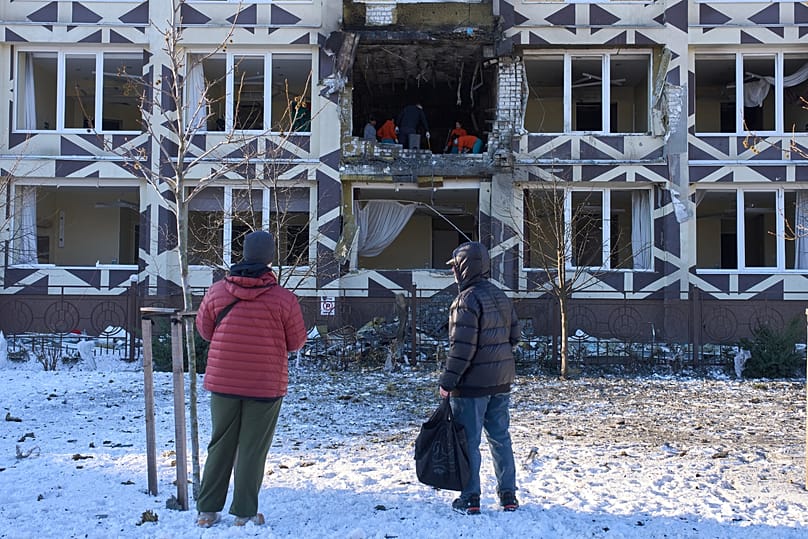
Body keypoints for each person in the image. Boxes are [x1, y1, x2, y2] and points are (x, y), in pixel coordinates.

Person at [195, 230, 307, 528]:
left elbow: (205, 331)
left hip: (223, 381)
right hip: (265, 384)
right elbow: (296, 342)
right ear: (271, 258)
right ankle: (243, 513)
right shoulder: (284, 299)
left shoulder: (217, 291)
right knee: (252, 448)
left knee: (220, 443)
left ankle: (207, 511)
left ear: (242, 253)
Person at [439, 241, 520, 516]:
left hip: (472, 386)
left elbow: (461, 349)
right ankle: (508, 495)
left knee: (469, 441)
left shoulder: (466, 300)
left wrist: (447, 382)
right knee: (500, 438)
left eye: (455, 268)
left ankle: (471, 497)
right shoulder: (501, 296)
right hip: (501, 381)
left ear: (463, 268)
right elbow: (515, 337)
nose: (453, 273)